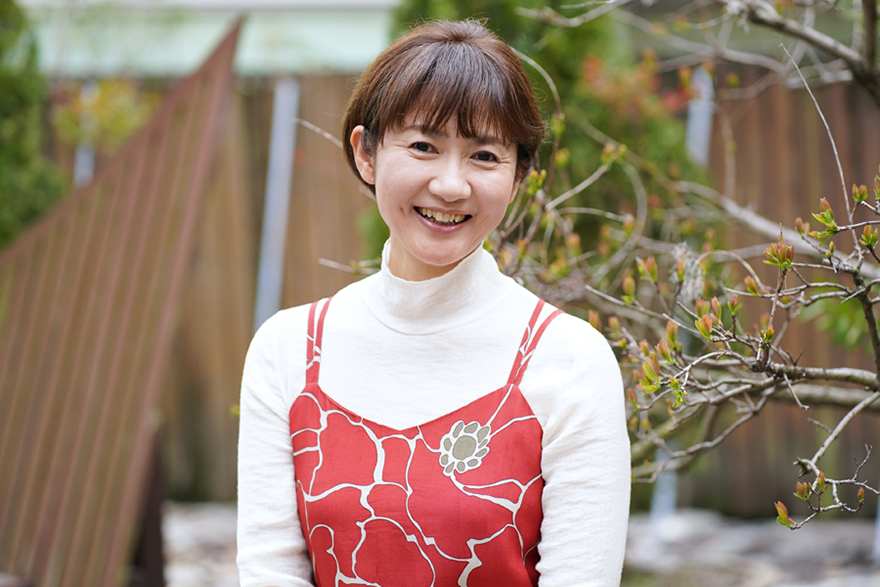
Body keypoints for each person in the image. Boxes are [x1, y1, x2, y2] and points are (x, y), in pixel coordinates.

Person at [237, 19, 630, 587]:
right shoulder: (288, 350)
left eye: (485, 156)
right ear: (366, 154)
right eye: (423, 146)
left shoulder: (569, 361)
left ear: (519, 175)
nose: (451, 185)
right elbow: (270, 570)